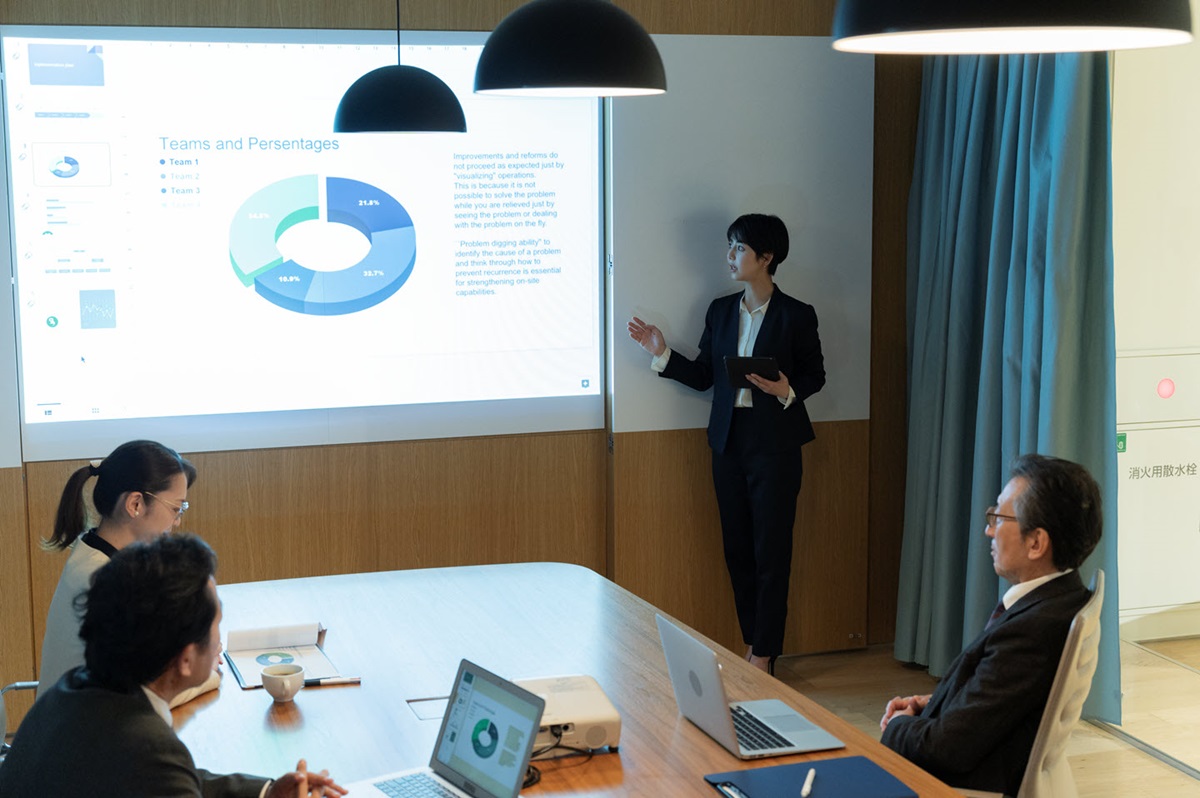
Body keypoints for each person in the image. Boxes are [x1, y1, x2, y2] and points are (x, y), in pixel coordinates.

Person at [0, 533, 346, 798]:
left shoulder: (73, 690)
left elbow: (169, 780)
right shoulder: (148, 750)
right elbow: (162, 774)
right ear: (184, 658)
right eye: (216, 627)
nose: (219, 643)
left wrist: (266, 792)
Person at [628, 213, 825, 673]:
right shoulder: (720, 310)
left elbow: (816, 375)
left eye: (739, 248)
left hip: (775, 447)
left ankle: (763, 654)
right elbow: (703, 377)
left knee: (771, 553)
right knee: (737, 550)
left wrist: (786, 390)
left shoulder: (798, 314)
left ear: (767, 257)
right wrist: (662, 352)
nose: (730, 256)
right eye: (730, 247)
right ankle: (752, 642)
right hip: (728, 444)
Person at [879, 453, 1103, 795]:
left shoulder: (1032, 631)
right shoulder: (1060, 599)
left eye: (998, 518)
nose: (988, 530)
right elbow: (1001, 700)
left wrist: (898, 726)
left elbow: (945, 751)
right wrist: (935, 703)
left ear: (1036, 543)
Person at [38, 439, 219, 707]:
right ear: (135, 504)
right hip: (81, 730)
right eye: (175, 509)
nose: (177, 521)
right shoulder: (102, 579)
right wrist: (209, 673)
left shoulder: (92, 549)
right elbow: (147, 695)